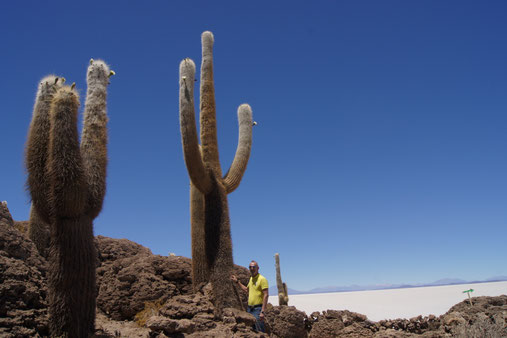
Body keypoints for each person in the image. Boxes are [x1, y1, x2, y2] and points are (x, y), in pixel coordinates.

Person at [231, 260, 269, 332]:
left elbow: (266, 295)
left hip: (258, 309)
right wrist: (237, 281)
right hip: (249, 309)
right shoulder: (251, 279)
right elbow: (246, 290)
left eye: (254, 267)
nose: (252, 268)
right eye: (250, 267)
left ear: (258, 268)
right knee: (252, 330)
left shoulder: (262, 279)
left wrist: (262, 311)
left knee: (259, 330)